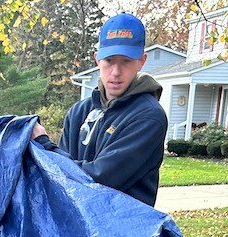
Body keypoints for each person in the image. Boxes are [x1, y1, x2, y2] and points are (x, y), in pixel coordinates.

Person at [33, 13, 168, 207]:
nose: (116, 72)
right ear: (97, 59)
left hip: (122, 232)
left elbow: (99, 179)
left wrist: (44, 145)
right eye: (110, 60)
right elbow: (60, 179)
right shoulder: (79, 112)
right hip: (77, 228)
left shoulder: (148, 117)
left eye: (126, 61)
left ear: (141, 61)